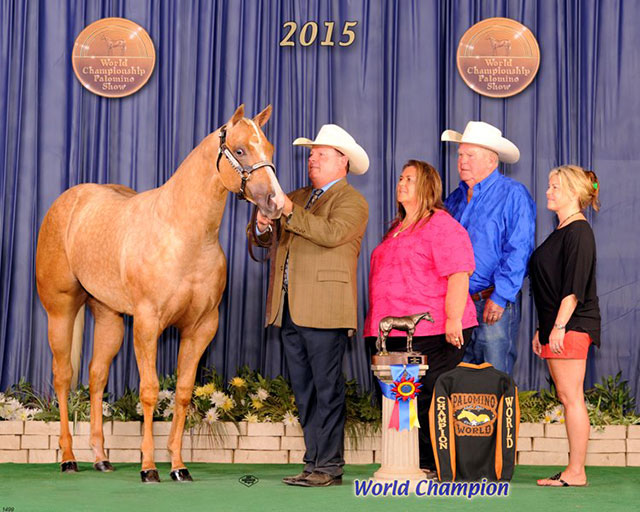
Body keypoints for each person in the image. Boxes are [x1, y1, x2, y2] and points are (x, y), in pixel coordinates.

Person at [252, 124, 369, 487]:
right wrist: (263, 226)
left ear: (342, 161)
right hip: (289, 307)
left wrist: (286, 208)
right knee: (304, 390)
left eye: (321, 154)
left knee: (327, 389)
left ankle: (329, 466)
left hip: (325, 309)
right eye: (311, 154)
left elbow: (330, 234)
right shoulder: (300, 196)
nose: (312, 159)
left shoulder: (352, 201)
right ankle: (312, 461)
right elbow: (270, 240)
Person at [364, 160, 477, 476]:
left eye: (410, 179)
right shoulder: (395, 228)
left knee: (427, 397)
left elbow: (458, 272)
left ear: (427, 186)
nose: (401, 183)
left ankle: (430, 463)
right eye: (400, 177)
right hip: (389, 332)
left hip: (434, 330)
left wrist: (453, 318)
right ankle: (406, 460)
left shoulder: (441, 225)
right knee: (399, 400)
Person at [442, 121, 536, 375]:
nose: (462, 161)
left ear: (492, 161)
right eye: (460, 154)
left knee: (494, 375)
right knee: (460, 377)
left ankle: (499, 417)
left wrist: (501, 295)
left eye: (470, 155)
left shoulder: (513, 194)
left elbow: (519, 248)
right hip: (459, 304)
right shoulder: (454, 198)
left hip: (491, 300)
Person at [530, 165, 601, 487]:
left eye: (555, 186)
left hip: (571, 325)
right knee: (566, 394)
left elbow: (573, 289)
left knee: (571, 397)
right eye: (549, 185)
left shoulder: (579, 232)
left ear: (573, 193)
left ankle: (576, 471)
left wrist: (557, 327)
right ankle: (574, 469)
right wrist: (542, 329)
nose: (548, 191)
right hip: (557, 325)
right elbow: (552, 286)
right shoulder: (563, 230)